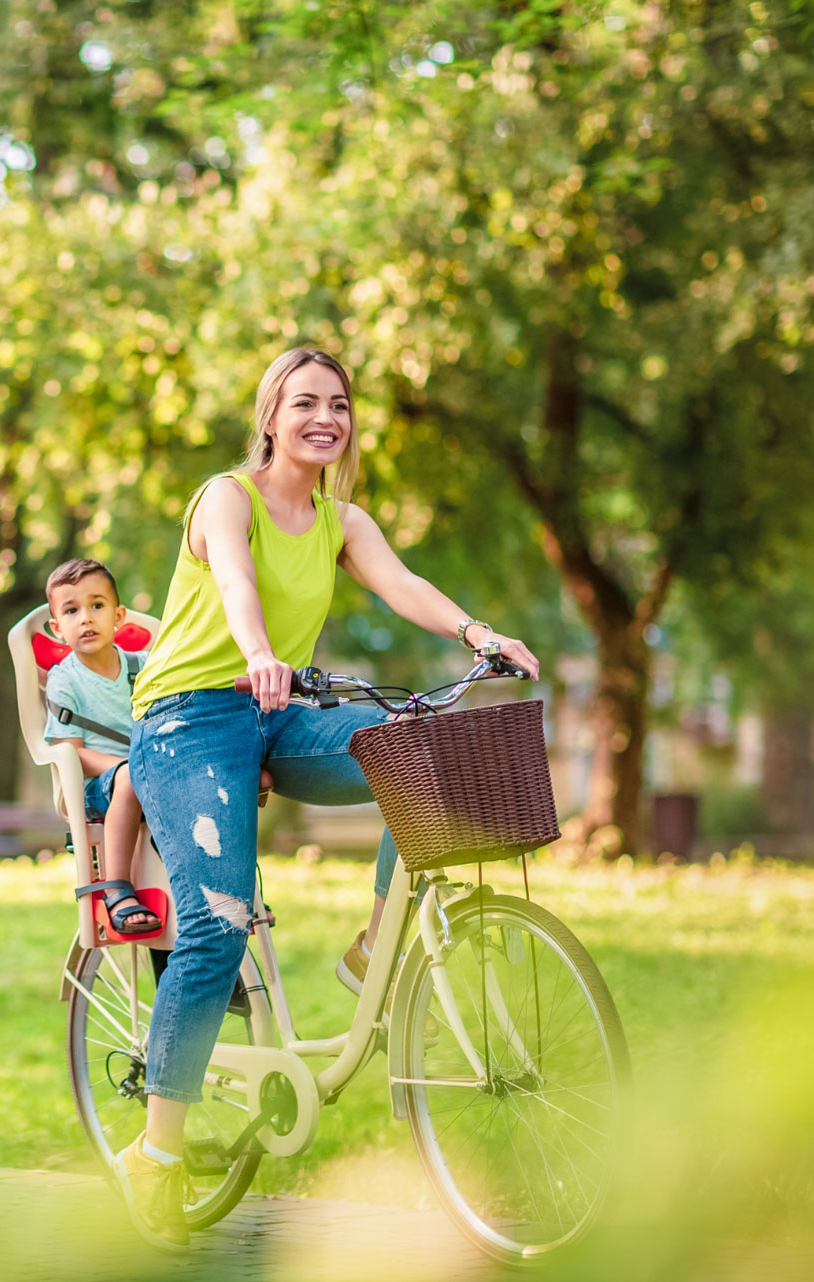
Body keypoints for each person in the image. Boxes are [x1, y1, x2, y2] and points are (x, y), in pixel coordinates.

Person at [111, 348, 541, 1248]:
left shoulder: (343, 520)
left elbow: (404, 585)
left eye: (339, 404)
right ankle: (156, 1152)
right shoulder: (226, 497)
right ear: (270, 417)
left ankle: (374, 942)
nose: (325, 418)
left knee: (418, 750)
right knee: (218, 926)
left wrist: (480, 633)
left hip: (276, 713)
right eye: (304, 402)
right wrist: (259, 652)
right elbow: (236, 580)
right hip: (188, 721)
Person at [42, 558, 159, 936]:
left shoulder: (144, 667)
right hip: (100, 786)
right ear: (57, 628)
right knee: (129, 778)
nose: (86, 618)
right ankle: (117, 889)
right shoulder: (65, 680)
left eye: (97, 605)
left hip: (153, 773)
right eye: (71, 611)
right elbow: (71, 752)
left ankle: (227, 888)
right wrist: (132, 767)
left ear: (118, 615)